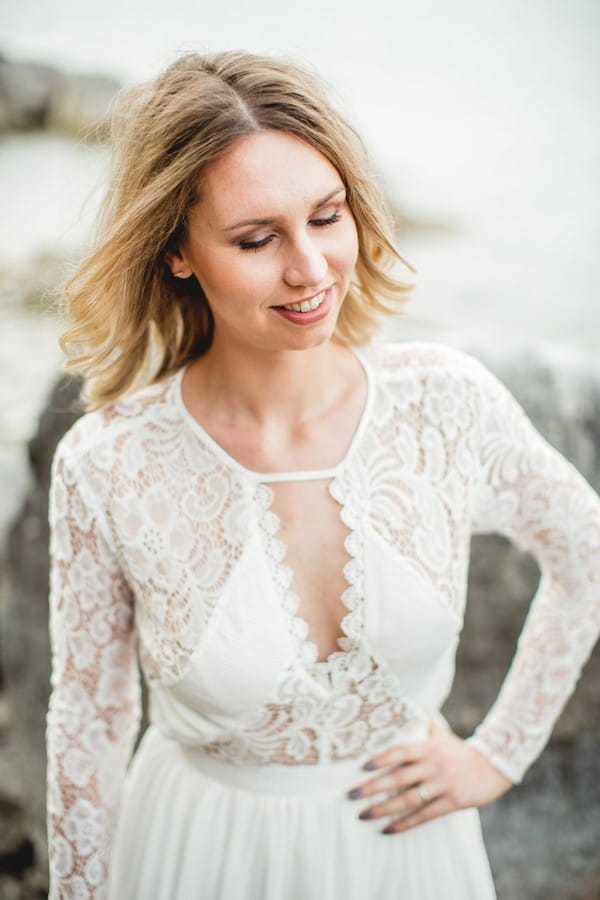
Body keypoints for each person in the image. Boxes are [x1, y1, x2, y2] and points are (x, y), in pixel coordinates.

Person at [46, 50, 600, 900]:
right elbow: (88, 720)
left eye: (327, 216)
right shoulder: (109, 460)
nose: (309, 269)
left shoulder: (444, 406)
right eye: (257, 239)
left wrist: (498, 753)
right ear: (177, 252)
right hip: (200, 855)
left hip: (409, 856)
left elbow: (588, 552)